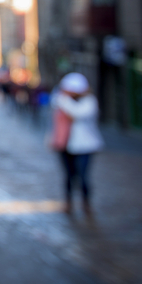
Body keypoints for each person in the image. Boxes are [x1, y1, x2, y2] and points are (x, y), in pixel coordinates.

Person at [51, 73, 103, 217]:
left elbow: (76, 114)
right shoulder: (61, 100)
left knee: (83, 176)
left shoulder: (89, 101)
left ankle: (86, 202)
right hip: (65, 144)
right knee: (68, 176)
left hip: (84, 146)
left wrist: (63, 99)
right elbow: (57, 123)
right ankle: (68, 202)